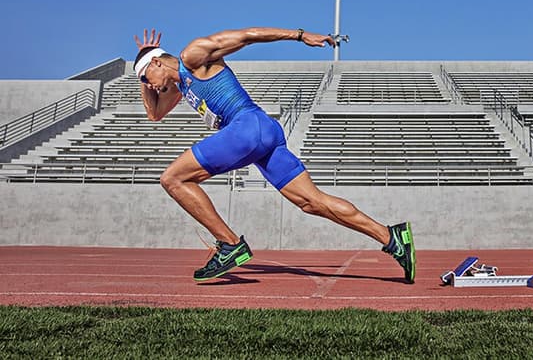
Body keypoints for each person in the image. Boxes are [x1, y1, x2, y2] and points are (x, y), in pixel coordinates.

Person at [133, 27, 416, 283]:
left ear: (157, 62)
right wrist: (141, 68)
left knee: (173, 179)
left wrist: (300, 35)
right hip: (263, 134)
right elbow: (154, 113)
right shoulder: (179, 85)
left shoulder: (191, 56)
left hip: (247, 127)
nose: (150, 85)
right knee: (311, 202)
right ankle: (392, 238)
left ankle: (229, 244)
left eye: (147, 78)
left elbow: (246, 36)